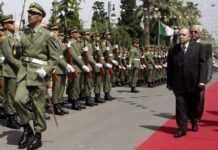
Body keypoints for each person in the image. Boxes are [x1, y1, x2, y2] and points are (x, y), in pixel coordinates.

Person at [13, 3, 64, 150]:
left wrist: (46, 69)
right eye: (29, 13)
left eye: (33, 13)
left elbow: (55, 58)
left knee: (38, 106)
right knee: (18, 100)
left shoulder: (48, 35)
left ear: (40, 17)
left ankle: (38, 134)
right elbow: (18, 54)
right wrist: (16, 43)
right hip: (24, 71)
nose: (29, 15)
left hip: (39, 73)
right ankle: (27, 128)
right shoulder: (24, 32)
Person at [167, 27, 207, 138]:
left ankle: (194, 120)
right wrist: (169, 82)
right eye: (180, 34)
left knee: (194, 105)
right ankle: (182, 128)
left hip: (194, 83)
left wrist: (202, 80)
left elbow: (203, 65)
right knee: (180, 106)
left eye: (183, 35)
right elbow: (170, 68)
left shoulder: (199, 48)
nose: (181, 37)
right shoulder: (173, 49)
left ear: (189, 36)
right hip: (178, 84)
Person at [0, 14, 21, 129]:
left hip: (14, 70)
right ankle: (10, 118)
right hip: (10, 71)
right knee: (10, 95)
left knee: (12, 95)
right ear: (6, 25)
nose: (14, 25)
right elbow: (9, 56)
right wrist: (21, 66)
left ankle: (12, 115)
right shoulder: (5, 38)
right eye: (11, 23)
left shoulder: (13, 37)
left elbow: (17, 52)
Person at [190, 25, 213, 120]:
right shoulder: (188, 44)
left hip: (201, 77)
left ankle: (197, 116)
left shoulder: (206, 45)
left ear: (200, 33)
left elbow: (209, 63)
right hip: (189, 76)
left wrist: (206, 78)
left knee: (200, 98)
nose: (193, 34)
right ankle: (190, 114)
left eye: (195, 32)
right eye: (191, 32)